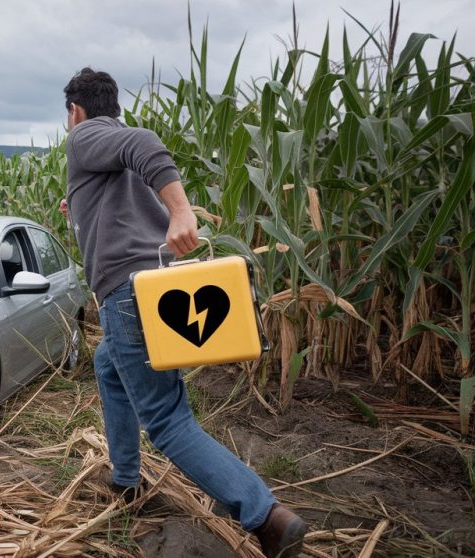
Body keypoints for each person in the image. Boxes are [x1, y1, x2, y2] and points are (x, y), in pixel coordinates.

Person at [61, 67, 308, 558]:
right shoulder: (111, 156)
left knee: (169, 421)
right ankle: (127, 479)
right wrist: (80, 206)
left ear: (75, 111)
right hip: (150, 291)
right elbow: (124, 192)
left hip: (127, 296)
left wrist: (181, 211)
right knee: (107, 365)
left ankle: (266, 516)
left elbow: (147, 144)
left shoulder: (87, 135)